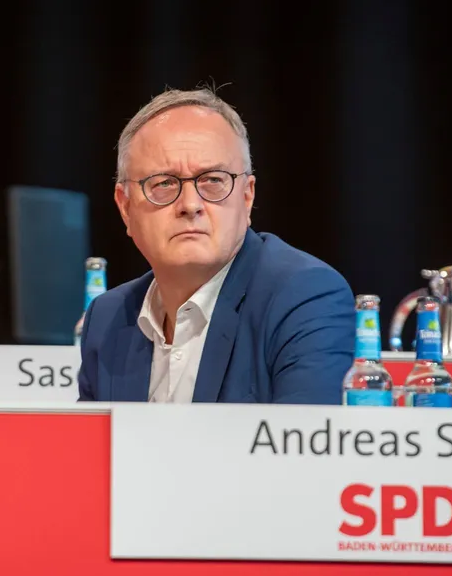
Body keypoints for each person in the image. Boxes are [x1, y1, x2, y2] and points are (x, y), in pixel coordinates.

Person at [77, 87, 355, 404]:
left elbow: (301, 434)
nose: (190, 204)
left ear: (247, 197)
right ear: (125, 207)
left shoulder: (304, 297)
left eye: (212, 180)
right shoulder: (107, 318)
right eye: (164, 183)